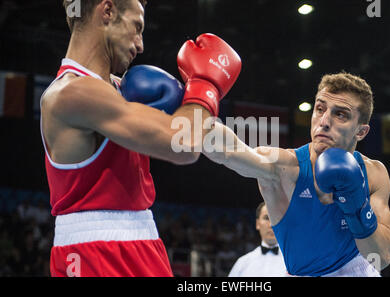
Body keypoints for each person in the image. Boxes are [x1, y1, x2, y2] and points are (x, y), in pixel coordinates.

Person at [40, 0, 241, 276]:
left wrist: (274, 164)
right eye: (137, 28)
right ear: (107, 11)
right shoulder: (71, 93)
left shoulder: (120, 90)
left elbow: (207, 133)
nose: (141, 43)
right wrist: (206, 86)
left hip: (144, 240)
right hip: (96, 253)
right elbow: (183, 145)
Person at [203, 72, 390, 276]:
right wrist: (199, 99)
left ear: (361, 131)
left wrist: (356, 208)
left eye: (340, 114)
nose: (324, 121)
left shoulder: (374, 173)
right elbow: (228, 151)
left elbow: (381, 257)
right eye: (320, 109)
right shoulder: (283, 168)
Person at [228, 202, 287, 277]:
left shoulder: (295, 263)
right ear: (257, 224)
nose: (271, 225)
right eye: (266, 218)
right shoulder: (242, 263)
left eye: (276, 218)